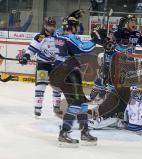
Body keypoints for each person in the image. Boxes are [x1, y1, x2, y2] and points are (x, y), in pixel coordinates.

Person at [50, 15, 106, 145]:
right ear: (73, 27)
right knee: (76, 102)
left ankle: (84, 131)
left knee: (81, 102)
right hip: (68, 73)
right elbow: (83, 48)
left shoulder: (58, 35)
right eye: (76, 26)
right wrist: (94, 39)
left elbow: (63, 32)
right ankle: (64, 133)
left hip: (58, 74)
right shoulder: (70, 37)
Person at [18, 17, 62, 117]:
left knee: (57, 86)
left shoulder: (58, 37)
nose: (51, 28)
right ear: (45, 26)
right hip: (43, 65)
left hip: (56, 66)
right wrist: (26, 56)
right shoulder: (40, 37)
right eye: (49, 25)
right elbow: (31, 50)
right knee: (40, 86)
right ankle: (37, 109)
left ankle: (56, 107)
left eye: (53, 26)